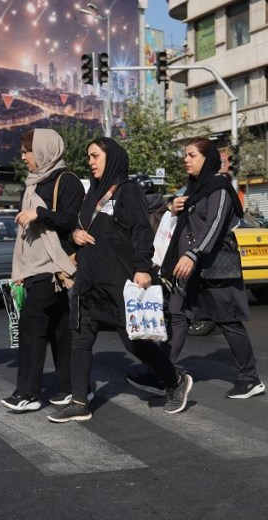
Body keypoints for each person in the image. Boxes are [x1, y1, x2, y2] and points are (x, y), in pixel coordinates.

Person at [49, 138, 192, 423]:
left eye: (95, 156)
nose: (90, 162)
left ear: (111, 157)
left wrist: (142, 268)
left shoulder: (128, 191)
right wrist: (74, 235)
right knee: (80, 338)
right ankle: (79, 401)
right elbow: (80, 226)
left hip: (119, 279)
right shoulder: (92, 194)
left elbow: (141, 231)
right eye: (88, 157)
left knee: (133, 341)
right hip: (89, 279)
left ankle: (175, 380)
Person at [134, 137, 264, 400]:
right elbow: (184, 222)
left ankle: (250, 379)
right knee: (177, 315)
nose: (186, 159)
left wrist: (193, 254)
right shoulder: (193, 188)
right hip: (190, 269)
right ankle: (163, 372)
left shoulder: (219, 188)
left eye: (192, 155)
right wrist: (175, 205)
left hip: (216, 267)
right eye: (186, 155)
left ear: (207, 159)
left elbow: (214, 226)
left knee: (228, 321)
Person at [0, 129, 85, 412]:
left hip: (56, 267)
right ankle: (72, 388)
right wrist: (20, 268)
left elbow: (73, 220)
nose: (24, 157)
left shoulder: (67, 180)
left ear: (44, 151)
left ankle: (27, 393)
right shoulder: (33, 184)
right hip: (35, 266)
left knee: (31, 324)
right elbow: (26, 237)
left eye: (27, 151)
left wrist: (40, 214)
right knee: (60, 330)